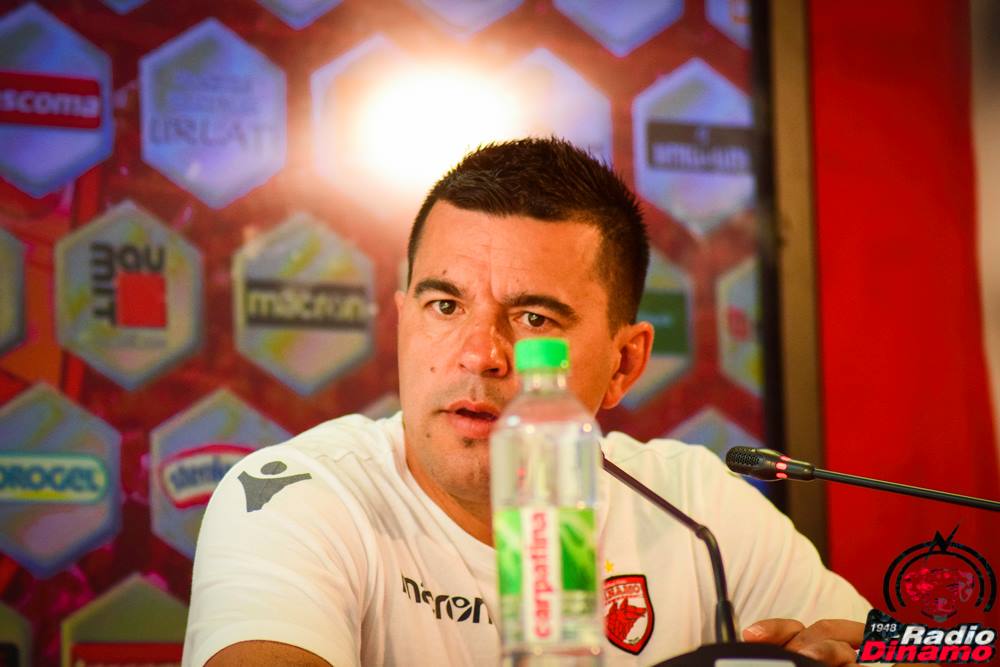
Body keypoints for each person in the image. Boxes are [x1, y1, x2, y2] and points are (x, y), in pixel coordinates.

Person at [183, 138, 871, 666]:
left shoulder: (699, 509)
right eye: (444, 305)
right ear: (401, 320)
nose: (480, 353)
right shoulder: (294, 497)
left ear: (624, 363)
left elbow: (881, 644)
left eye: (534, 317)